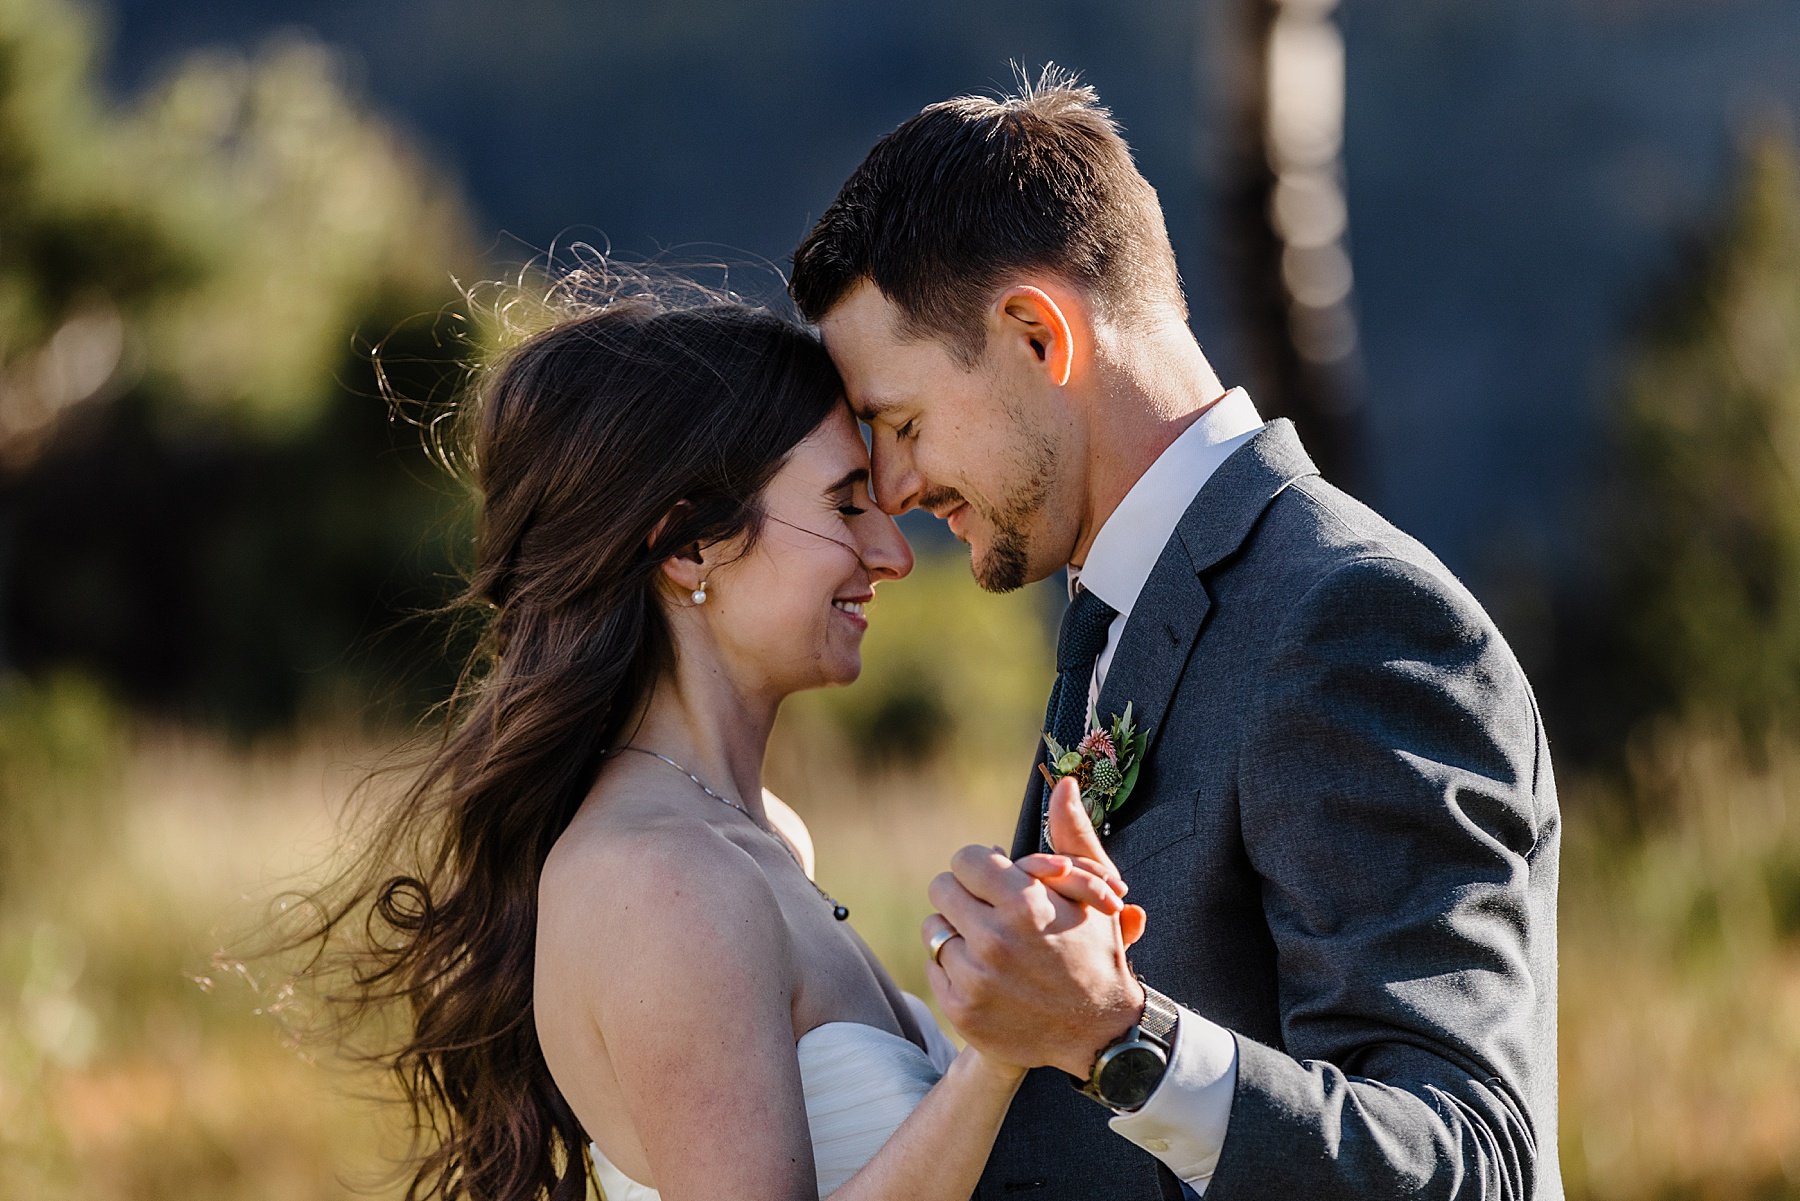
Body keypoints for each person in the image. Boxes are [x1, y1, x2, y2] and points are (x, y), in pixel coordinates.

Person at [789, 70, 1563, 1199]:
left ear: (1033, 333)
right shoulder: (1116, 612)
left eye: (902, 423)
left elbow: (1474, 1164)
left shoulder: (1353, 620)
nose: (895, 486)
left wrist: (1120, 1036)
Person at [300, 275, 1144, 1201]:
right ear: (690, 544)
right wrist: (991, 1058)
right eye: (845, 504)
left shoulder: (766, 838)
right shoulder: (660, 879)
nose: (894, 553)